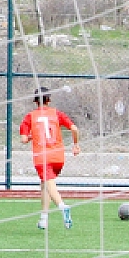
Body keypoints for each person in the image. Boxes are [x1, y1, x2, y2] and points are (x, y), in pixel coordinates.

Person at [18, 88, 81, 231]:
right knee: (45, 183)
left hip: (42, 156)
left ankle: (62, 206)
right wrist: (76, 145)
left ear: (35, 101)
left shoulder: (30, 117)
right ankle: (43, 219)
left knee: (49, 184)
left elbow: (23, 139)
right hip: (58, 155)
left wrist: (29, 137)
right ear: (49, 100)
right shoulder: (56, 113)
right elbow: (74, 128)